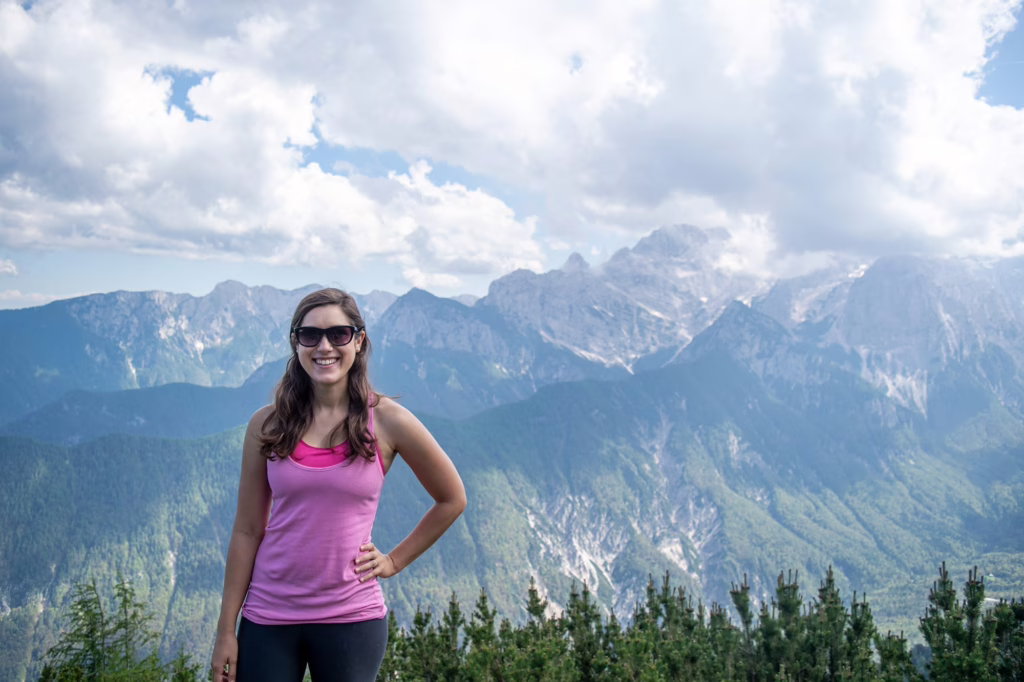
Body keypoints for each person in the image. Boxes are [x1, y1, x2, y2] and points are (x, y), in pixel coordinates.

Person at [210, 288, 467, 682]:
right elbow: (247, 530)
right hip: (268, 614)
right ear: (296, 343)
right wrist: (226, 631)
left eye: (339, 334)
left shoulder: (387, 421)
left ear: (359, 340)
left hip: (351, 617)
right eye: (310, 335)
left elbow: (452, 498)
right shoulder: (266, 424)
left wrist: (394, 561)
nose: (324, 346)